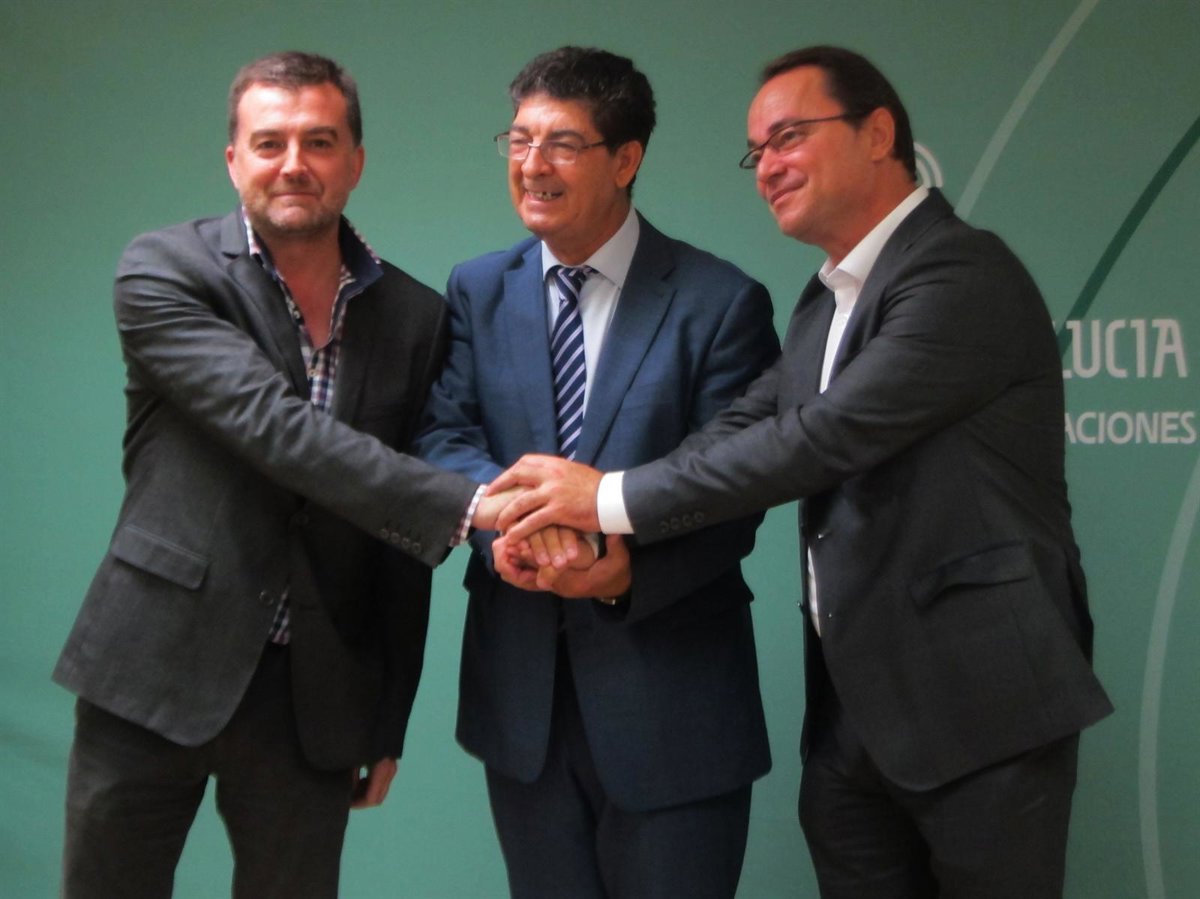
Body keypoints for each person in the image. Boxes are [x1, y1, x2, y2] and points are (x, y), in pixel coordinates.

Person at [492, 45, 1114, 898]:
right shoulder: (826, 299)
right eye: (757, 151)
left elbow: (818, 440)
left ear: (877, 134)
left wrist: (604, 496)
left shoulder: (960, 272)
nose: (768, 168)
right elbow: (740, 427)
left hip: (980, 711)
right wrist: (597, 522)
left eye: (789, 138)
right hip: (855, 723)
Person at [54, 51, 508, 899]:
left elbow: (395, 545)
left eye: (319, 141)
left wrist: (387, 716)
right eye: (270, 143)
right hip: (152, 668)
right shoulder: (166, 270)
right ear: (234, 160)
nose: (294, 162)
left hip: (314, 698)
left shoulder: (415, 317)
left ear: (355, 161)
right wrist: (472, 502)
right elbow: (275, 427)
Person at [412, 46, 780, 899]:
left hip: (675, 708)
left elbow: (736, 489)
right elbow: (444, 434)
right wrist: (509, 528)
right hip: (524, 709)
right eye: (519, 139)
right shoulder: (477, 289)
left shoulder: (719, 301)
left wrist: (622, 571)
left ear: (625, 159)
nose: (532, 164)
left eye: (563, 143)